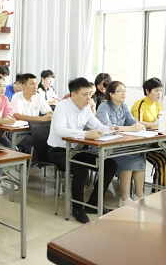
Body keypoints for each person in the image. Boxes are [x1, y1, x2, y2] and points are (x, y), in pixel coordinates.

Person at [46, 77, 118, 224]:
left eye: (90, 94)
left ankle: (93, 204)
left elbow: (98, 126)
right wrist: (85, 134)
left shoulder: (85, 109)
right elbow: (60, 131)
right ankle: (77, 208)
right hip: (58, 151)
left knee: (110, 165)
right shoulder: (62, 107)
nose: (89, 98)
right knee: (81, 170)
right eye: (85, 95)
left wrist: (112, 129)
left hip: (76, 150)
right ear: (73, 94)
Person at [96, 81, 147, 207]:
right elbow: (107, 127)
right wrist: (130, 128)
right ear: (111, 94)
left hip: (119, 145)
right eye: (120, 91)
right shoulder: (104, 106)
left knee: (139, 160)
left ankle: (139, 195)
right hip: (104, 146)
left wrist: (138, 126)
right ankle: (124, 198)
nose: (124, 93)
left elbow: (131, 121)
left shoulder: (123, 106)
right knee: (128, 161)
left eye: (124, 91)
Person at [131, 77, 166, 188]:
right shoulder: (140, 104)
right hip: (140, 142)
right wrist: (158, 125)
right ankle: (158, 190)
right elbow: (138, 123)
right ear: (147, 91)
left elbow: (164, 120)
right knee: (164, 159)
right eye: (156, 90)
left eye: (161, 90)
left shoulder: (157, 104)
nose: (159, 93)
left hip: (152, 139)